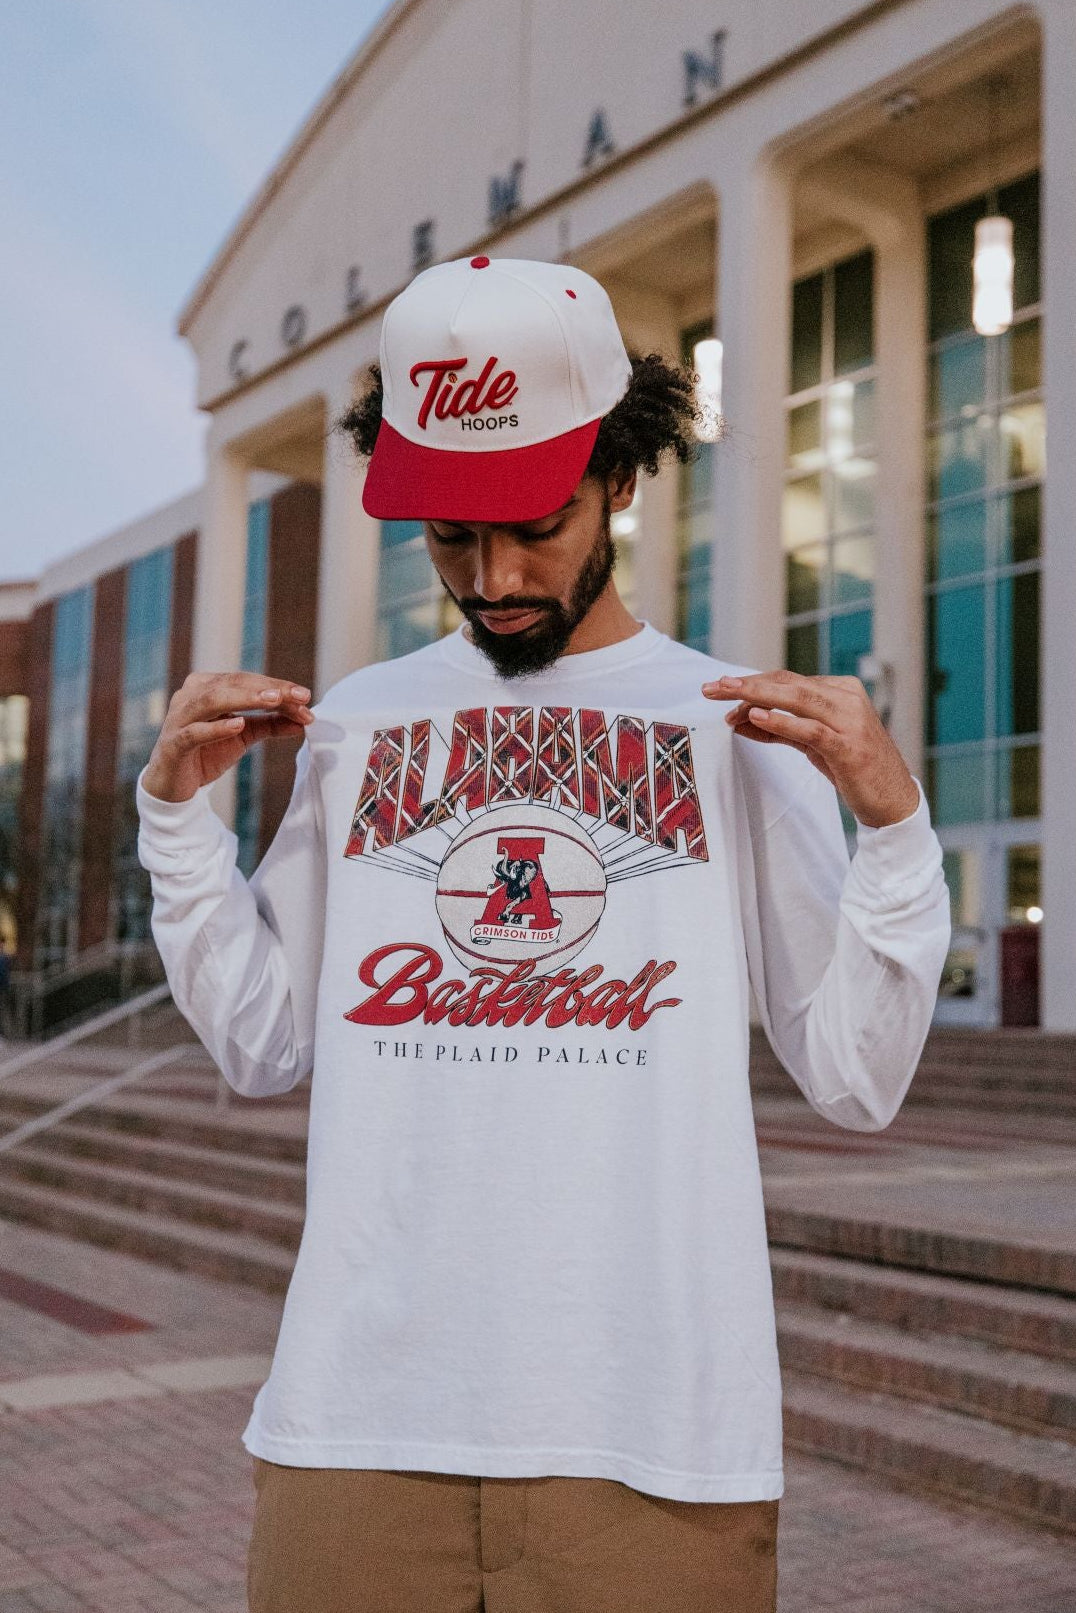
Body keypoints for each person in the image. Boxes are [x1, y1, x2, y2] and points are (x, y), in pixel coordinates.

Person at [136, 255, 952, 1613]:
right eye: (450, 538)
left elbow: (860, 1076)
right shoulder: (367, 723)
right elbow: (269, 1042)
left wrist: (896, 828)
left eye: (534, 524)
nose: (495, 576)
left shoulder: (730, 727)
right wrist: (175, 824)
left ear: (621, 478)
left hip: (653, 1438)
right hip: (359, 1429)